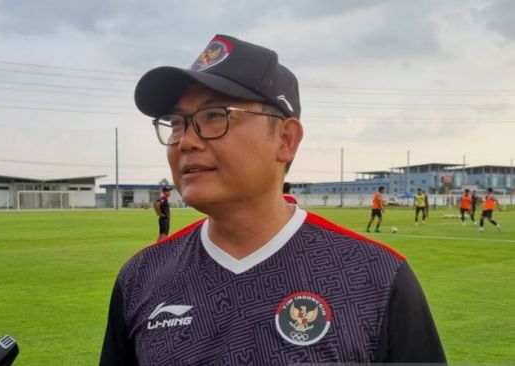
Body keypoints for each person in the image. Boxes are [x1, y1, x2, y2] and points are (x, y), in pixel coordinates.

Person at [100, 34, 445, 364]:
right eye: (177, 123)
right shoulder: (141, 278)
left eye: (214, 116)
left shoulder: (376, 277)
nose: (186, 141)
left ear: (286, 139)